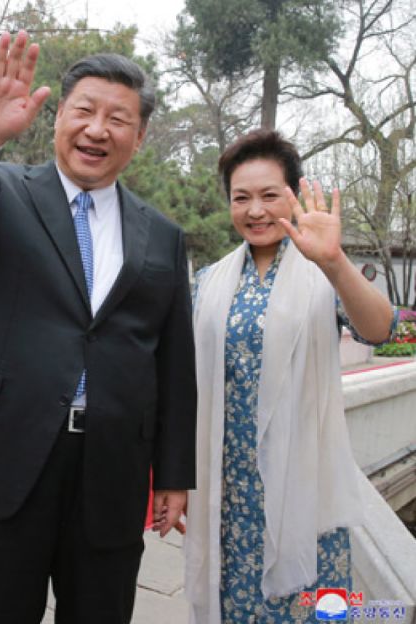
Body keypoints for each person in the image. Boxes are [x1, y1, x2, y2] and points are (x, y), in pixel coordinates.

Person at [0, 33, 197, 623]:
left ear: (139, 137)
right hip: (8, 456)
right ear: (58, 116)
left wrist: (173, 474)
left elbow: (173, 362)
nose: (98, 130)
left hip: (111, 470)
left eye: (118, 119)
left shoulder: (162, 236)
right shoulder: (4, 191)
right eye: (84, 111)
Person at [185, 129, 397, 623]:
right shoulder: (208, 282)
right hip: (231, 494)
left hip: (306, 486)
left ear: (295, 195)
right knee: (235, 607)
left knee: (314, 608)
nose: (255, 210)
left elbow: (379, 329)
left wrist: (335, 261)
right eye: (242, 198)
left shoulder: (321, 271)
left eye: (269, 195)